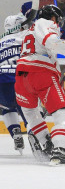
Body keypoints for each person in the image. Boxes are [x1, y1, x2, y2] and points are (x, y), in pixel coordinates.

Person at [14, 4, 65, 165]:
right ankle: (59, 151)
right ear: (53, 18)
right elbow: (51, 40)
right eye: (57, 21)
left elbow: (52, 38)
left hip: (21, 77)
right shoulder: (46, 23)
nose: (57, 24)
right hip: (40, 73)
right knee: (63, 115)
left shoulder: (28, 31)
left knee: (32, 114)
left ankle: (47, 144)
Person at [0, 13, 27, 154]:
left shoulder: (0, 41)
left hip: (1, 86)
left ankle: (15, 131)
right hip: (18, 81)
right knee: (29, 111)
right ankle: (40, 140)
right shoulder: (24, 38)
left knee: (6, 107)